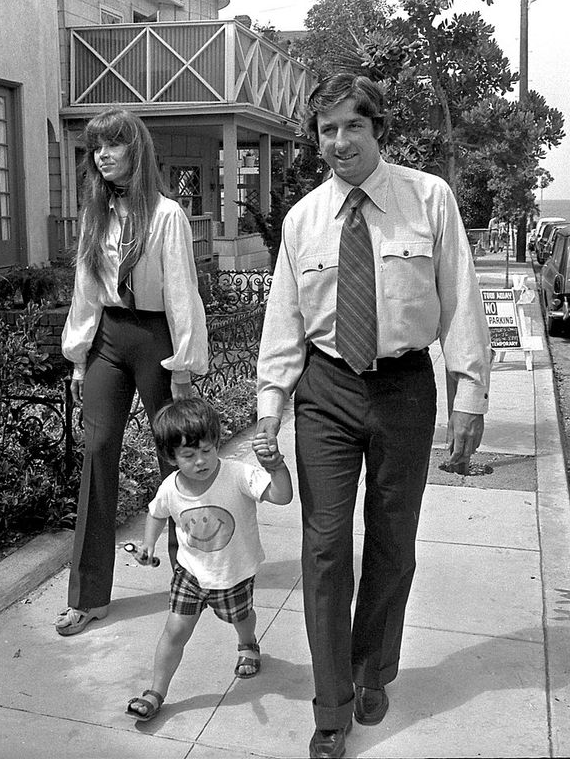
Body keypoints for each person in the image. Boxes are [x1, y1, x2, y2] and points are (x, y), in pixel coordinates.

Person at [254, 73, 491, 759]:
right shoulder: (304, 220)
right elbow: (284, 323)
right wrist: (270, 408)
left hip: (404, 388)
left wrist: (468, 392)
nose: (339, 142)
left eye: (351, 126)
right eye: (327, 130)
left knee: (392, 541)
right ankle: (332, 708)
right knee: (326, 547)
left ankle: (371, 669)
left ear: (376, 128)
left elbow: (460, 299)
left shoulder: (428, 199)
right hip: (325, 389)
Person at [56, 107, 209, 637]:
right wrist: (78, 356)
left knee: (176, 455)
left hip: (155, 340)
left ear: (136, 151)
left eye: (113, 145)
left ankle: (189, 581)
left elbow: (182, 292)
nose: (102, 155)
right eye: (96, 147)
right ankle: (89, 594)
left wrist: (184, 365)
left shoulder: (167, 215)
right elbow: (84, 286)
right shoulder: (94, 216)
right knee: (97, 451)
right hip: (107, 337)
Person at [125, 398, 293, 722]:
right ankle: (155, 692)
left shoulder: (237, 475)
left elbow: (282, 496)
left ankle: (247, 643)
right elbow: (156, 513)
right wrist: (149, 545)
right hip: (190, 574)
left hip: (234, 572)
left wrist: (276, 468)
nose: (200, 461)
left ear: (216, 443)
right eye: (188, 455)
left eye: (206, 449)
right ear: (170, 457)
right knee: (174, 630)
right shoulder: (170, 488)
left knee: (240, 617)